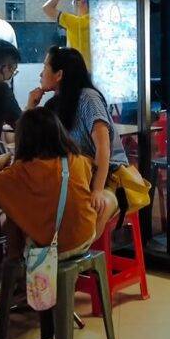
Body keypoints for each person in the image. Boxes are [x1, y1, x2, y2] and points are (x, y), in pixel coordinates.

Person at [0, 107, 98, 257]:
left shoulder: (20, 171)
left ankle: (14, 267)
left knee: (12, 218)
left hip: (52, 249)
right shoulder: (76, 159)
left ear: (23, 139)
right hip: (85, 237)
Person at [29, 46, 120, 233]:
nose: (41, 73)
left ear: (59, 74)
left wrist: (97, 190)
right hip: (74, 178)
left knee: (96, 210)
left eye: (45, 67)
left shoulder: (88, 98)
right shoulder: (54, 105)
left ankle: (77, 256)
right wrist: (31, 106)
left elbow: (103, 148)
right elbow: (29, 141)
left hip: (108, 177)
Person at [42, 0, 99, 70]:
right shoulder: (99, 20)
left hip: (79, 72)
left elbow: (47, 8)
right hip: (95, 71)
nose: (75, 3)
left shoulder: (77, 23)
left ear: (84, 1)